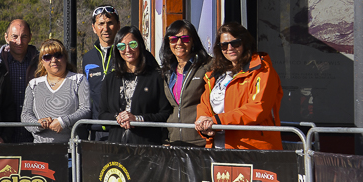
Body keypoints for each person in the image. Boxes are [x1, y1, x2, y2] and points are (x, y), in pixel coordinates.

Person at [195, 22, 284, 150]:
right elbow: (204, 105)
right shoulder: (215, 75)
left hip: (252, 148)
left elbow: (258, 108)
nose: (229, 48)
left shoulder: (262, 70)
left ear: (245, 43)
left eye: (235, 43)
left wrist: (217, 121)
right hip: (218, 147)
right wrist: (203, 124)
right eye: (224, 45)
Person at [98, 26, 171, 145]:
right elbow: (102, 115)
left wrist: (137, 119)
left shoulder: (155, 77)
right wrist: (119, 118)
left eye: (132, 44)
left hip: (147, 145)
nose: (127, 50)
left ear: (140, 45)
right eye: (121, 46)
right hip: (116, 146)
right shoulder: (110, 79)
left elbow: (165, 113)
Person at [21, 39, 90, 144]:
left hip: (73, 151)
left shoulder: (79, 80)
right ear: (42, 62)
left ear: (65, 58)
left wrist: (63, 122)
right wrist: (38, 124)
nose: (53, 60)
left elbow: (86, 110)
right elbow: (25, 115)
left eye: (58, 55)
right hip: (41, 150)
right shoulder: (33, 84)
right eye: (47, 57)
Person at [159, 19, 212, 147]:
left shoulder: (208, 66)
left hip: (201, 141)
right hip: (174, 142)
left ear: (193, 41)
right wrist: (165, 138)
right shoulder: (167, 71)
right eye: (173, 39)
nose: (179, 43)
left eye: (185, 38)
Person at [0, 19, 40, 142]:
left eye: (24, 36)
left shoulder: (42, 64)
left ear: (30, 37)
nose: (19, 42)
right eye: (14, 37)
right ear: (6, 37)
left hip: (35, 136)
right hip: (4, 138)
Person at [82, 5, 121, 121]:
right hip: (97, 126)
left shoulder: (127, 54)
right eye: (101, 24)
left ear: (118, 25)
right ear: (94, 28)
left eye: (110, 23)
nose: (106, 28)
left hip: (122, 126)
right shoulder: (88, 58)